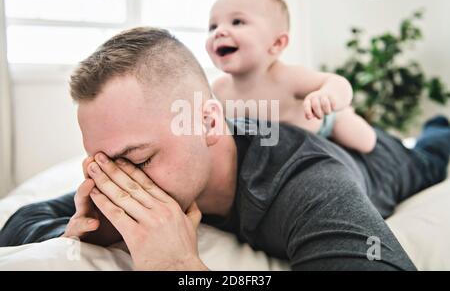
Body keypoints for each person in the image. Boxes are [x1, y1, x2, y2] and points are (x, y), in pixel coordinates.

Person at [1, 27, 449, 271]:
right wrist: (84, 229)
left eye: (138, 160)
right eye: (102, 163)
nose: (122, 182)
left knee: (431, 153)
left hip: (383, 162)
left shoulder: (306, 182)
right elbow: (20, 221)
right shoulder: (134, 167)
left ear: (209, 121)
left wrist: (182, 267)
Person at [206, 0, 377, 153]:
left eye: (237, 22)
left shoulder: (287, 77)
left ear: (276, 43)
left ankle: (347, 115)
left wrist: (327, 96)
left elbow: (338, 83)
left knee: (365, 142)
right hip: (276, 142)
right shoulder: (219, 89)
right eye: (213, 26)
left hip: (325, 121)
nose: (219, 32)